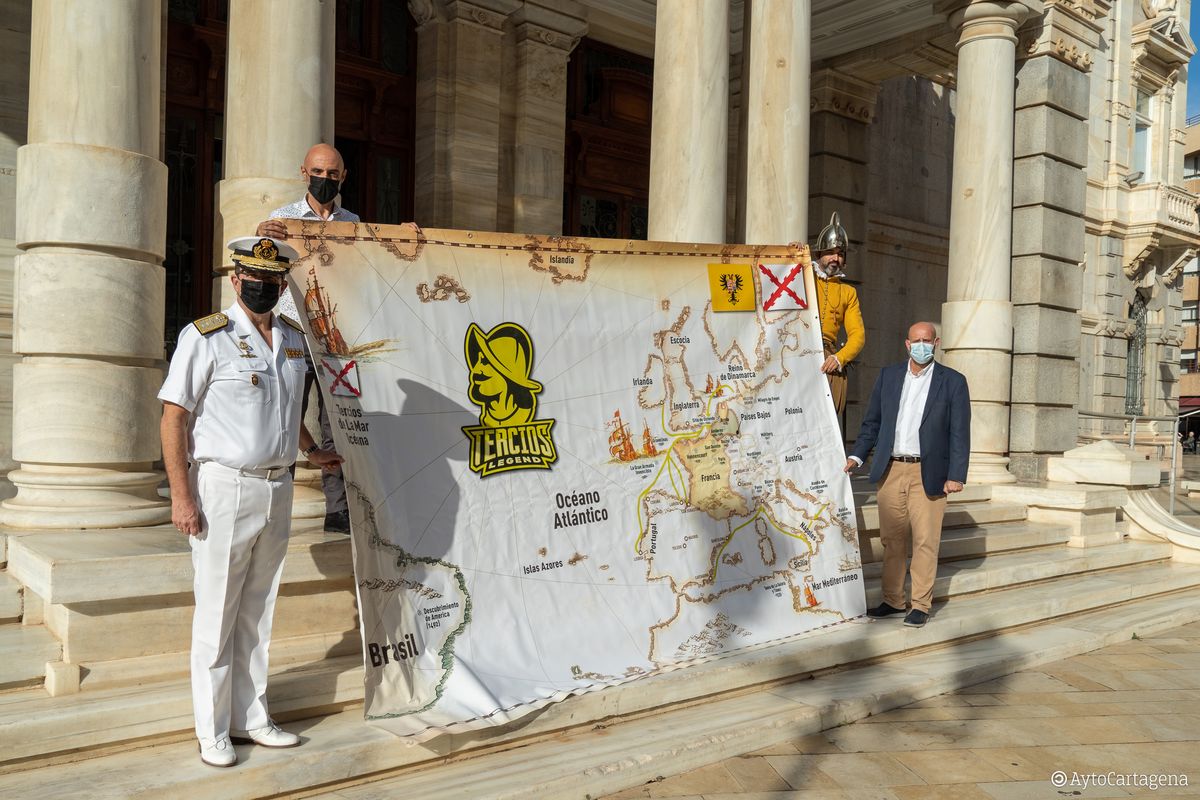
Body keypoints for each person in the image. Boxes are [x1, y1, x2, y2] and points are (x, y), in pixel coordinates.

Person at [159, 236, 344, 767]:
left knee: (258, 609)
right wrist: (181, 496)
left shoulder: (289, 338)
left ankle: (252, 716)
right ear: (236, 280)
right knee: (217, 611)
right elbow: (174, 416)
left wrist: (311, 450)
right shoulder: (206, 337)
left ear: (282, 284)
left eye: (273, 281)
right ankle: (213, 729)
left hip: (278, 486)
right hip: (224, 487)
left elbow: (283, 408)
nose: (263, 288)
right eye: (254, 280)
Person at [256, 143, 360, 533]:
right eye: (319, 172)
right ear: (304, 172)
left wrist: (403, 238)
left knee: (338, 423)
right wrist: (259, 236)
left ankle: (338, 509)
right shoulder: (280, 218)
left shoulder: (353, 221)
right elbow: (263, 268)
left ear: (343, 177)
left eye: (332, 174)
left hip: (336, 338)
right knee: (286, 416)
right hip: (294, 332)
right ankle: (272, 502)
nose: (325, 180)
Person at [843, 321, 970, 628]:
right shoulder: (888, 376)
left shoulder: (952, 381)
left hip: (930, 471)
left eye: (927, 340)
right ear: (907, 343)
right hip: (891, 468)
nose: (922, 345)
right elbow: (872, 422)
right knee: (892, 539)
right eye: (917, 340)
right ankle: (893, 599)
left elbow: (959, 433)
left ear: (936, 343)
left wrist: (956, 474)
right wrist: (857, 455)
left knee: (926, 540)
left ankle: (921, 604)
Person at [813, 212, 865, 416]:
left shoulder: (848, 292)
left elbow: (858, 336)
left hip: (828, 357)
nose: (835, 258)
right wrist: (793, 255)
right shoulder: (802, 276)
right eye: (831, 252)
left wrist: (839, 358)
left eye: (840, 254)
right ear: (819, 254)